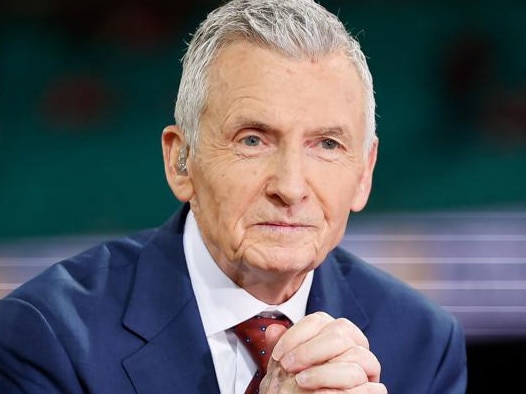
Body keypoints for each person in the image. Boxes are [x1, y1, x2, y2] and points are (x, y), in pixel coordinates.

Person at [0, 0, 467, 393]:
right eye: (252, 140)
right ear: (180, 162)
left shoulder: (423, 343)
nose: (290, 186)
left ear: (364, 174)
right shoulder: (48, 336)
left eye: (327, 144)